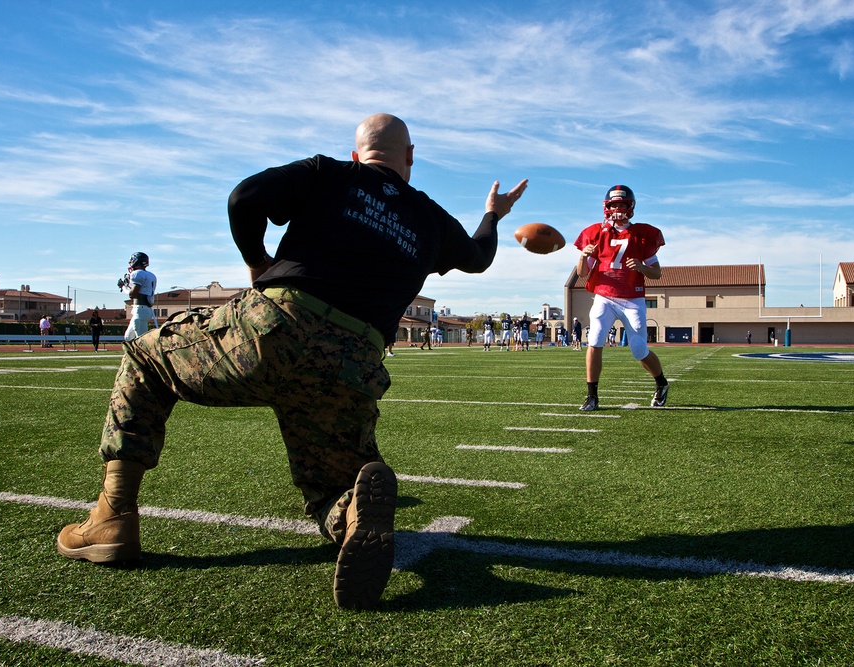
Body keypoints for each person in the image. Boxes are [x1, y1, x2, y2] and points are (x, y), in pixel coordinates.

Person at [54, 113, 528, 610]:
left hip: (275, 326)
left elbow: (243, 197)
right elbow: (479, 256)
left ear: (356, 154)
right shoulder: (429, 217)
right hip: (353, 360)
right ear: (410, 157)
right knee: (329, 485)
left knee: (146, 358)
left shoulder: (329, 172)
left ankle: (112, 517)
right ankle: (348, 513)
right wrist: (493, 213)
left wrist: (258, 262)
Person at [574, 184, 668, 411]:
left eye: (622, 205)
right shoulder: (595, 233)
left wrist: (641, 267)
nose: (617, 209)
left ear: (631, 207)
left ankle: (661, 383)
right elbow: (582, 273)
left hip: (631, 298)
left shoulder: (642, 235)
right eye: (614, 205)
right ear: (606, 207)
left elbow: (657, 273)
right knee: (594, 341)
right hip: (604, 296)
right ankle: (592, 396)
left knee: (638, 350)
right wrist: (583, 256)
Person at [123, 252, 157, 341]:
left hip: (140, 310)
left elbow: (132, 294)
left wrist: (124, 287)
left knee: (141, 340)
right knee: (128, 337)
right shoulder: (151, 275)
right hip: (144, 309)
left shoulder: (137, 274)